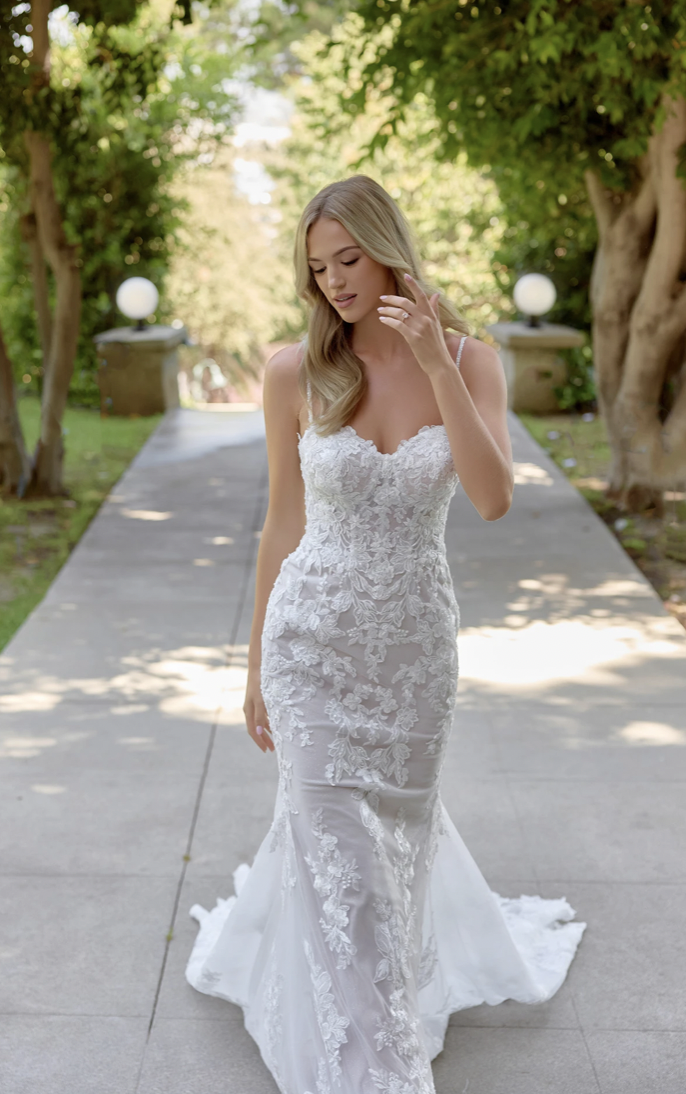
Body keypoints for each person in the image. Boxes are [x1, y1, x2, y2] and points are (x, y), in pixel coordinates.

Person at [185, 174, 585, 1094]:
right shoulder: (295, 370)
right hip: (310, 645)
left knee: (389, 855)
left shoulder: (472, 360)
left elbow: (491, 500)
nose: (333, 281)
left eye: (349, 259)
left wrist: (439, 365)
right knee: (339, 855)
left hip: (411, 654)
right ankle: (375, 1073)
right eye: (318, 267)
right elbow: (281, 528)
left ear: (388, 246)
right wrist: (254, 667)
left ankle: (369, 997)